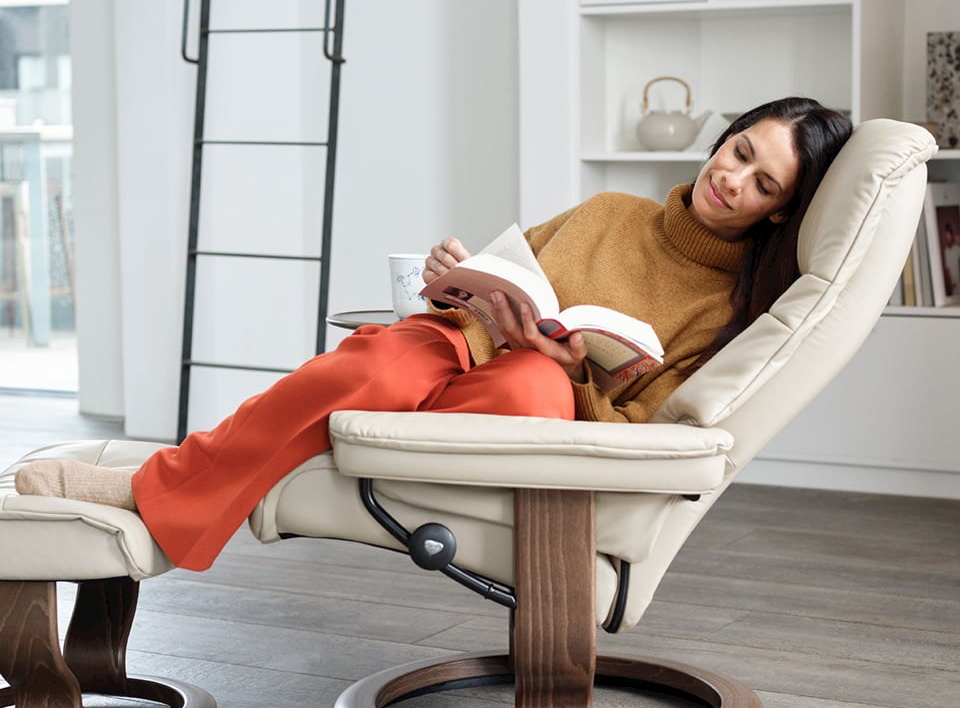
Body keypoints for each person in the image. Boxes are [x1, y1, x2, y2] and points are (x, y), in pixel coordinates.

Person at [15, 96, 853, 572]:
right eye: (737, 150)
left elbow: (642, 422)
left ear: (780, 206)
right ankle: (171, 482)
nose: (730, 177)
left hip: (535, 395)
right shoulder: (608, 213)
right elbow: (498, 276)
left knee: (531, 384)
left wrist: (571, 369)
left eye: (761, 179)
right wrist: (453, 271)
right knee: (382, 364)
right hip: (453, 344)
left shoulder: (725, 311)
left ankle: (169, 480)